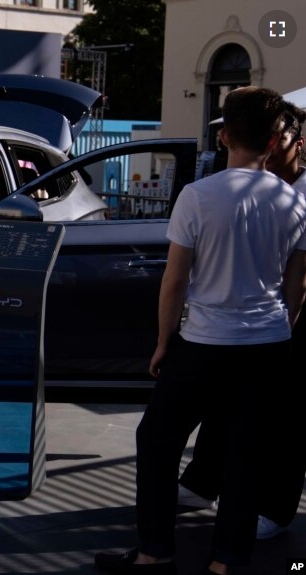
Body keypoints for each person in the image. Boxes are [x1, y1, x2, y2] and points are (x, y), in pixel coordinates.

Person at [94, 87, 306, 575]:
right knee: (245, 454)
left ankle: (154, 552)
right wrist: (278, 333)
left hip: (205, 343)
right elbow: (297, 289)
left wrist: (165, 340)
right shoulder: (295, 204)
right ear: (274, 142)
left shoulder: (198, 197)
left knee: (157, 439)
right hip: (269, 344)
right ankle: (226, 563)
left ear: (225, 135)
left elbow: (174, 282)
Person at [176, 102, 306, 541]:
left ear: (295, 145)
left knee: (286, 421)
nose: (273, 147)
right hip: (251, 326)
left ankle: (276, 508)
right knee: (225, 405)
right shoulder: (251, 188)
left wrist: (286, 325)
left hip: (282, 323)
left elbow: (298, 277)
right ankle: (201, 483)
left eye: (283, 139)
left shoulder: (296, 194)